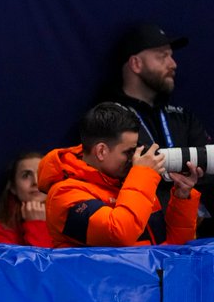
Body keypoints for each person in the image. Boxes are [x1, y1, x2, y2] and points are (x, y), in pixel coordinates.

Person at [40, 102, 203, 247]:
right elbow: (118, 234)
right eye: (128, 152)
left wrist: (182, 196)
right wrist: (143, 175)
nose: (134, 158)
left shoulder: (133, 184)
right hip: (103, 281)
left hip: (152, 280)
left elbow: (172, 251)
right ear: (101, 151)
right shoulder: (63, 195)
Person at [112, 22, 212, 237]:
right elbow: (120, 169)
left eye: (171, 56)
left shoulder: (181, 116)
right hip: (138, 234)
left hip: (192, 228)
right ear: (136, 64)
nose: (173, 64)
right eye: (162, 56)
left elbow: (209, 161)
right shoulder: (109, 117)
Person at [0, 152, 51, 246]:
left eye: (42, 174)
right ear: (13, 187)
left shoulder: (67, 223)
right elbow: (35, 261)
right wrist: (37, 224)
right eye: (26, 175)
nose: (36, 182)